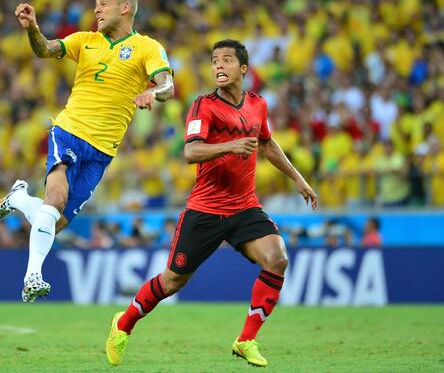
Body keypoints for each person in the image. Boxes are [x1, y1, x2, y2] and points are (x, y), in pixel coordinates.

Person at [105, 39, 318, 368]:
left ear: (243, 68)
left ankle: (246, 340)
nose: (219, 65)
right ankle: (124, 324)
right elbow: (191, 152)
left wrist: (299, 179)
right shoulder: (203, 106)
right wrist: (231, 146)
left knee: (277, 259)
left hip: (245, 206)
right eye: (215, 60)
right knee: (172, 281)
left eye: (227, 60)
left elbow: (267, 143)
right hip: (204, 210)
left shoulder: (257, 105)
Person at [0, 0, 174, 302]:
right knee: (55, 198)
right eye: (96, 3)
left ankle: (19, 199)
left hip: (103, 150)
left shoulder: (147, 47)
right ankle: (33, 276)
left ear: (124, 7)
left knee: (54, 221)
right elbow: (45, 49)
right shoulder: (84, 40)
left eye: (104, 2)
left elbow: (168, 85)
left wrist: (151, 92)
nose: (96, 9)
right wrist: (33, 27)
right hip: (70, 130)